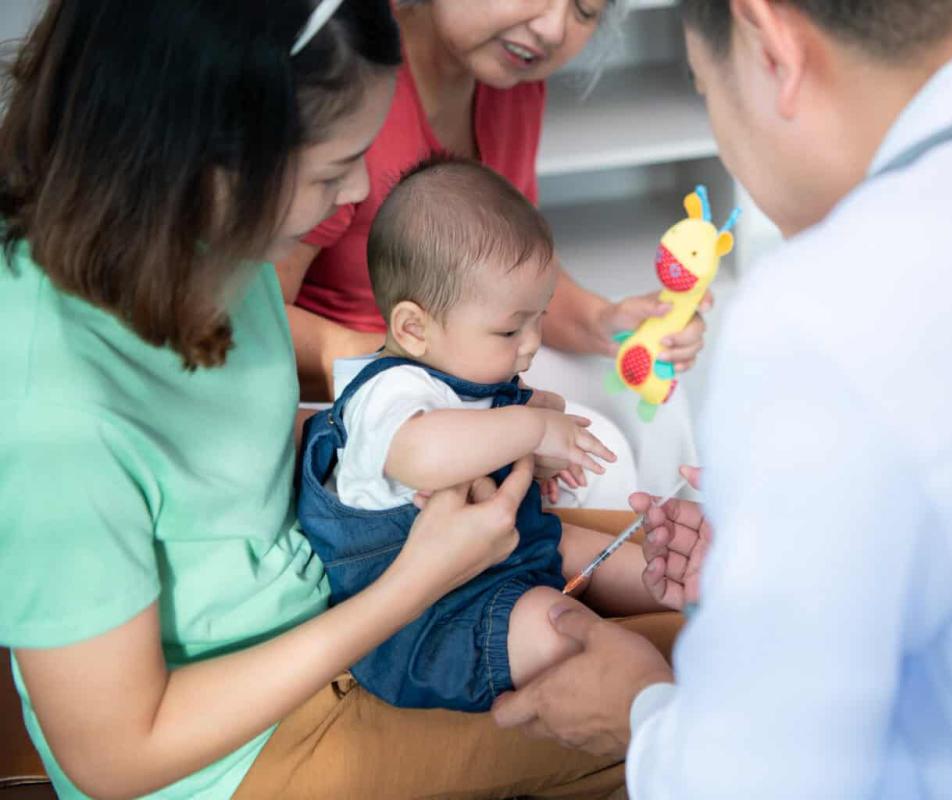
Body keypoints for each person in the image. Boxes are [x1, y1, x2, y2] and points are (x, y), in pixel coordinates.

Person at [491, 0, 952, 796]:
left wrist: (639, 716)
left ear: (768, 43)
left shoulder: (834, 308)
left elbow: (756, 781)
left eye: (702, 88)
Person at [0, 2, 676, 799]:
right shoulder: (51, 411)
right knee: (687, 713)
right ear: (211, 156)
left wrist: (443, 446)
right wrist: (410, 584)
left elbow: (208, 464)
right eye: (331, 170)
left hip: (342, 583)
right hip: (242, 750)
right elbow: (115, 760)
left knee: (713, 626)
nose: (359, 187)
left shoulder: (205, 243)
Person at [276, 0, 710, 503]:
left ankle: (664, 555)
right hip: (373, 380)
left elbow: (508, 275)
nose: (553, 28)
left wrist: (607, 321)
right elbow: (250, 320)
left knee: (651, 396)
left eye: (586, 11)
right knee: (595, 461)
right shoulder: (351, 83)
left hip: (473, 351)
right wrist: (397, 366)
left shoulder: (511, 82)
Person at [298, 156, 664, 713]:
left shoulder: (466, 367)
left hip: (500, 557)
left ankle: (683, 586)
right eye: (511, 328)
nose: (532, 343)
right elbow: (421, 454)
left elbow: (483, 443)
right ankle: (630, 671)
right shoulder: (388, 394)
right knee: (566, 634)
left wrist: (537, 445)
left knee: (603, 554)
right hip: (436, 617)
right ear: (413, 329)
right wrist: (531, 428)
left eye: (538, 318)